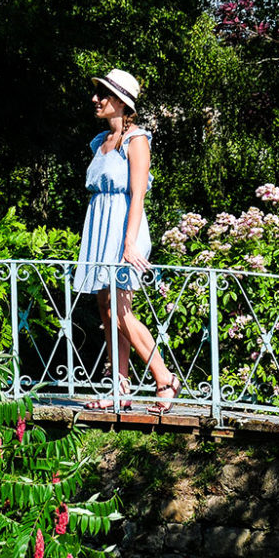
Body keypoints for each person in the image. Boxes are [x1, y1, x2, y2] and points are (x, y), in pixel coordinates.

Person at [74, 69, 180, 414]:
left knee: (121, 313)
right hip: (100, 232)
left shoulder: (137, 140)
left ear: (121, 102)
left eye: (102, 94)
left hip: (124, 232)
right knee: (106, 312)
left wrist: (130, 243)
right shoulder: (99, 142)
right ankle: (120, 389)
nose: (96, 99)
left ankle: (164, 378)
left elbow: (137, 195)